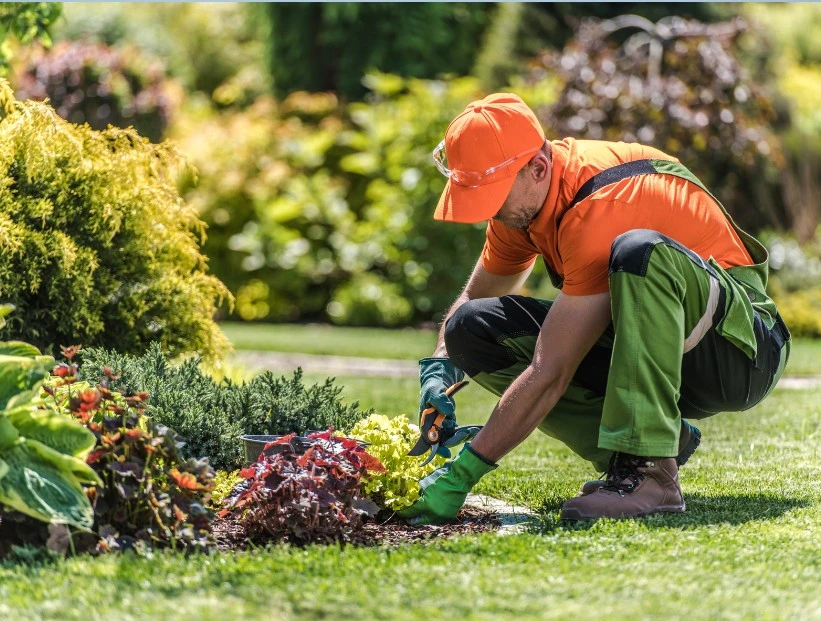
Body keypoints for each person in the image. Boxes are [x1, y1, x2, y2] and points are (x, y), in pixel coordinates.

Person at [397, 93, 791, 525]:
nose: (485, 214)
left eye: (491, 197)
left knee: (640, 251)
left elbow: (551, 370)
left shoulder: (601, 205)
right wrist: (439, 368)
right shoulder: (523, 209)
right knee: (469, 328)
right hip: (668, 347)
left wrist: (463, 473)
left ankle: (649, 471)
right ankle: (646, 449)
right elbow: (472, 301)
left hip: (741, 352)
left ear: (538, 168)